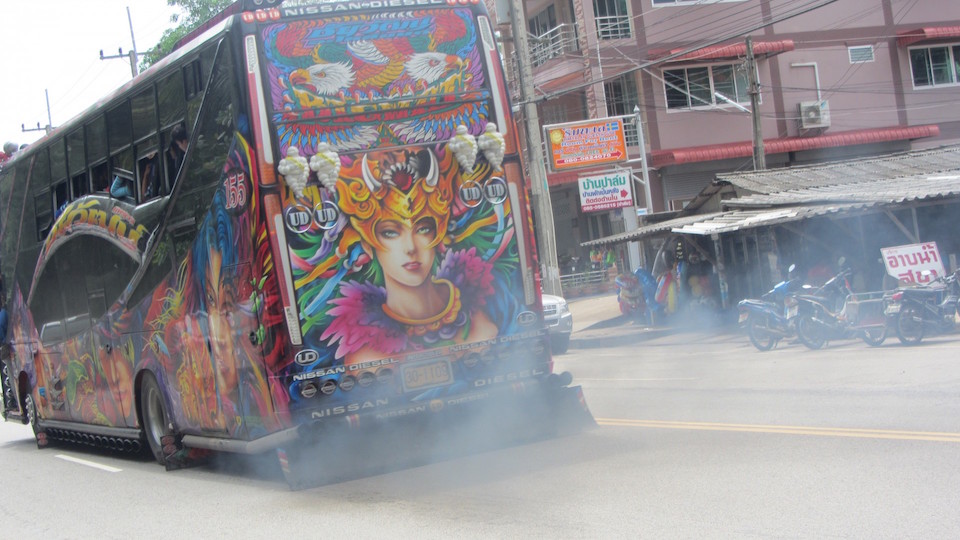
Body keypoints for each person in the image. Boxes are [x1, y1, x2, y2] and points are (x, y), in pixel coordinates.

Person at [320, 148, 498, 366]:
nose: (411, 247)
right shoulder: (366, 355)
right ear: (368, 244)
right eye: (391, 233)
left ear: (439, 233)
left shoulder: (480, 311)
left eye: (423, 228)